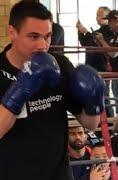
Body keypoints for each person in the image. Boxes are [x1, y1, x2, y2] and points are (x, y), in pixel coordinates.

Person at [0, 1, 105, 179]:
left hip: (59, 174)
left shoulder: (60, 65)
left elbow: (91, 124)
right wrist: (21, 87)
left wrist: (94, 101)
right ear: (12, 33)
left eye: (47, 36)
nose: (42, 45)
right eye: (33, 36)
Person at [96, 10, 118, 116]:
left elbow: (114, 53)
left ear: (117, 21)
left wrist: (101, 40)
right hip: (117, 72)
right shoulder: (117, 34)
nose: (109, 25)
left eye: (110, 21)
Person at [68, 116, 92, 180]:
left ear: (86, 136)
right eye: (72, 134)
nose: (77, 137)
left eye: (80, 133)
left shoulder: (95, 154)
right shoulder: (60, 159)